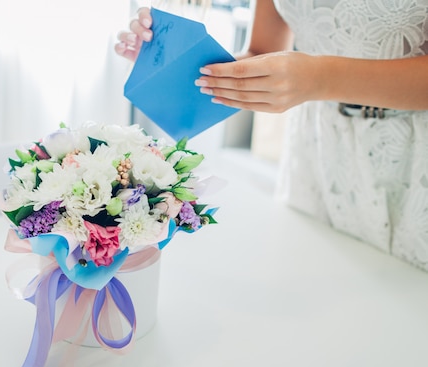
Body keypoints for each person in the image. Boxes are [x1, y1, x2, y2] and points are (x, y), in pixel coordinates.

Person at [115, 1, 428, 272]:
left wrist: (319, 78)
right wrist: (171, 66)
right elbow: (261, 54)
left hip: (413, 160)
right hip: (320, 153)